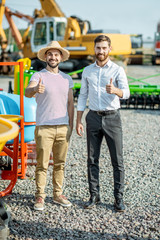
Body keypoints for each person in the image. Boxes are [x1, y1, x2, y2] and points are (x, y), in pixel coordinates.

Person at [76, 35, 130, 212]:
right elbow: (82, 96)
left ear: (110, 49)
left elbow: (127, 93)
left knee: (117, 160)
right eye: (98, 48)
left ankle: (118, 199)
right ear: (94, 49)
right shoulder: (87, 71)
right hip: (92, 117)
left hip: (112, 118)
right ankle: (94, 196)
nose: (101, 51)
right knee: (92, 159)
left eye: (104, 48)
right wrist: (78, 120)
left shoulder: (117, 70)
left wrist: (116, 91)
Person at [25, 41, 74, 210]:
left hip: (63, 127)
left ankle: (58, 194)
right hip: (44, 127)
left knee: (60, 163)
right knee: (42, 164)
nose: (53, 57)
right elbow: (27, 92)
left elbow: (70, 103)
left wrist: (71, 126)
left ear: (61, 57)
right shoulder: (38, 76)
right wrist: (35, 89)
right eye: (50, 54)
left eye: (56, 54)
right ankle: (40, 196)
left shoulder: (67, 79)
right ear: (46, 57)